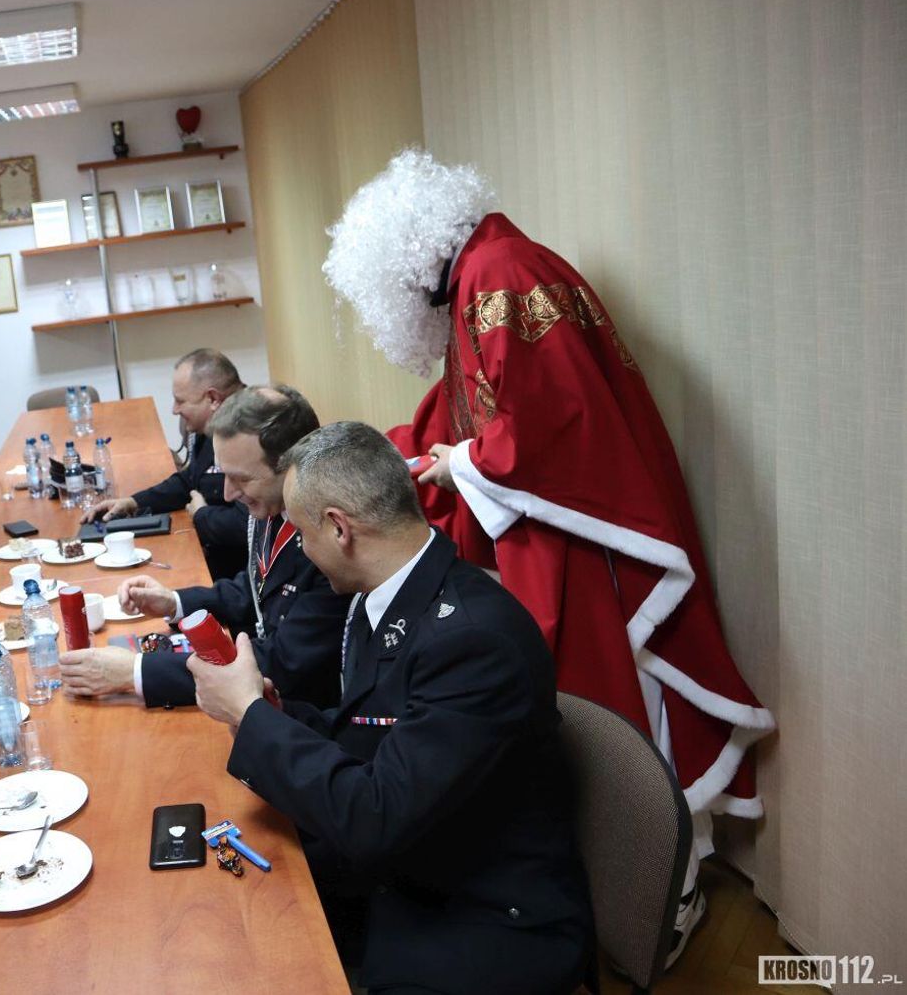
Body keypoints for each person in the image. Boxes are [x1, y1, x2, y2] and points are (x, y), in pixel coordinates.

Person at [324, 150, 774, 951]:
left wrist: (458, 462)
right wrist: (407, 455)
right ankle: (643, 883)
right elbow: (466, 410)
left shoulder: (499, 274)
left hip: (586, 536)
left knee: (613, 704)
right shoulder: (487, 271)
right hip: (562, 526)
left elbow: (549, 422)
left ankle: (662, 892)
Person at [188, 422, 592, 994]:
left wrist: (250, 713)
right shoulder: (394, 595)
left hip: (480, 918)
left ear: (339, 528)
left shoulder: (472, 641)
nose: (302, 551)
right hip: (415, 865)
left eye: (302, 534)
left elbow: (376, 817)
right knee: (220, 919)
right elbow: (371, 738)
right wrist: (273, 713)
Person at [61, 385, 345, 709]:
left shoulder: (327, 541)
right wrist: (173, 602)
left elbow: (283, 661)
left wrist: (135, 671)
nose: (227, 494)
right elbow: (256, 589)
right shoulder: (273, 507)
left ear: (291, 467)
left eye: (241, 479)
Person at [82, 349, 250, 579]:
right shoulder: (215, 424)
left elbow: (247, 524)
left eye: (180, 401)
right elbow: (189, 480)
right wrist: (133, 502)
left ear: (212, 399)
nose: (174, 410)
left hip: (237, 572)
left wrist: (201, 515)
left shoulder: (248, 433)